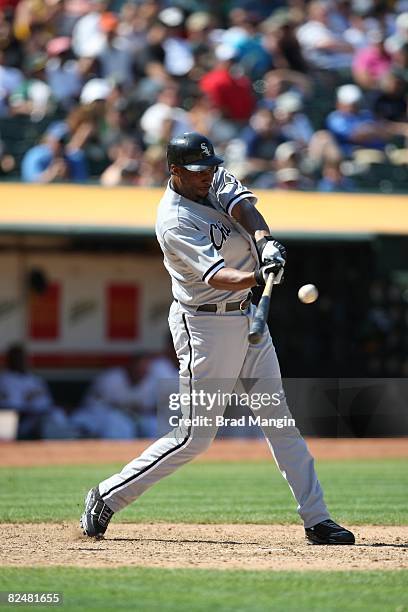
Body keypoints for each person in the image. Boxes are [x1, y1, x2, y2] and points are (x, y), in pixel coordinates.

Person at [80, 131, 355, 546]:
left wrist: (265, 245)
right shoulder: (174, 220)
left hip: (246, 319)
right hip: (205, 326)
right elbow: (220, 278)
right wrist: (259, 275)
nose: (207, 175)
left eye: (210, 167)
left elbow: (244, 208)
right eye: (197, 171)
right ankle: (106, 496)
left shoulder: (213, 177)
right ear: (174, 172)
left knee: (279, 422)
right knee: (195, 436)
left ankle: (317, 519)